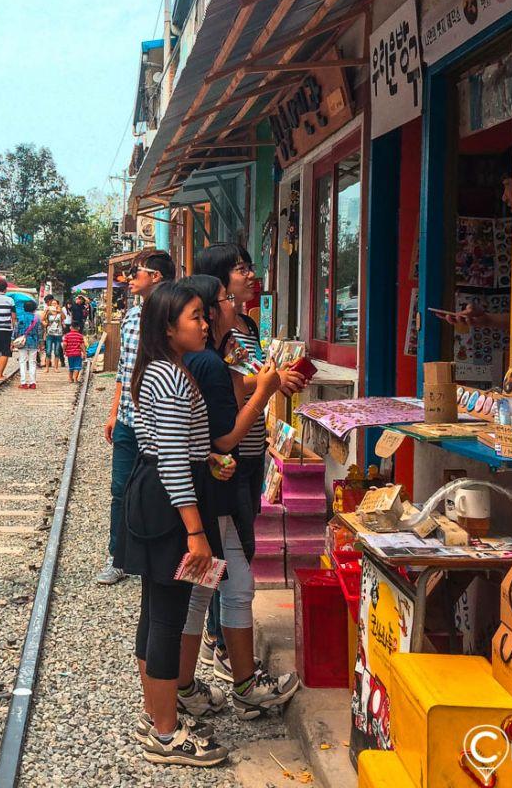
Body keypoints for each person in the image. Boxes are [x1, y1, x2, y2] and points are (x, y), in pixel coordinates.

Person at [116, 281, 229, 767]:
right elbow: (173, 462)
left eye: (205, 315)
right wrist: (196, 532)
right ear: (168, 327)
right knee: (167, 615)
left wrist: (207, 457)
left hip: (158, 495)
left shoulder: (161, 369)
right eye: (196, 317)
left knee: (156, 609)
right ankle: (165, 733)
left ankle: (154, 715)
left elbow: (173, 445)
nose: (205, 324)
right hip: (169, 504)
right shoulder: (171, 377)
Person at [179, 274, 300, 718]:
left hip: (214, 490)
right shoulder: (207, 363)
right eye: (226, 299)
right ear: (208, 314)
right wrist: (264, 391)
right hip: (212, 497)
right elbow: (225, 437)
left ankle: (224, 682)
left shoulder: (208, 359)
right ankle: (203, 685)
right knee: (209, 586)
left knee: (227, 584)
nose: (235, 304)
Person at [97, 248, 176, 587]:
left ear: (155, 276)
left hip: (161, 419)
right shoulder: (131, 316)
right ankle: (118, 557)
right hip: (129, 419)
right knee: (120, 489)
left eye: (136, 272)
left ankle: (156, 556)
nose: (129, 278)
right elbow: (123, 369)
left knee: (162, 488)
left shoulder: (174, 314)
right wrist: (114, 411)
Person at [15, 300, 42, 389]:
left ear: (24, 308)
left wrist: (13, 340)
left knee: (22, 361)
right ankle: (32, 382)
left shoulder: (20, 317)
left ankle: (23, 383)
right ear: (34, 309)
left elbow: (16, 330)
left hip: (22, 342)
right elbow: (39, 331)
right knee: (32, 362)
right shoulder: (37, 318)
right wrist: (41, 343)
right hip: (34, 341)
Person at [41, 296, 65, 369]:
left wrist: (60, 311)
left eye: (55, 303)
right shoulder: (48, 312)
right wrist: (46, 311)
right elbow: (42, 319)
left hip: (58, 334)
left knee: (57, 351)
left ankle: (56, 367)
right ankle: (47, 367)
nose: (54, 305)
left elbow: (64, 318)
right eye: (52, 304)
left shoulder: (60, 312)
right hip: (49, 334)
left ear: (58, 304)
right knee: (48, 351)